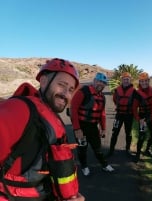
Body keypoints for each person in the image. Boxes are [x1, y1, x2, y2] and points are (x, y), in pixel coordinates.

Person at [0, 58, 85, 201]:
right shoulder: (20, 110)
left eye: (71, 90)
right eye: (62, 85)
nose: (66, 94)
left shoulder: (48, 114)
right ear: (44, 81)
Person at [70, 72, 114, 176]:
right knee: (82, 148)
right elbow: (73, 109)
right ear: (94, 81)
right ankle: (84, 166)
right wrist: (77, 129)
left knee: (97, 147)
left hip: (93, 126)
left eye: (103, 83)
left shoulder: (102, 97)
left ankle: (104, 165)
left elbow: (102, 113)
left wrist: (103, 128)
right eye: (99, 81)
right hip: (81, 126)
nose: (101, 84)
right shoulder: (83, 92)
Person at [107, 72, 137, 157]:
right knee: (115, 132)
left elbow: (136, 103)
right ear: (122, 80)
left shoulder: (134, 91)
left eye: (127, 79)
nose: (126, 81)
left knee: (128, 133)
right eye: (124, 79)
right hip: (119, 115)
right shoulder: (117, 90)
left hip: (129, 115)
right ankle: (111, 150)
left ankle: (127, 150)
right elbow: (114, 99)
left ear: (130, 80)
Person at [132, 72, 152, 163]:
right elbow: (134, 109)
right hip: (142, 118)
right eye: (142, 81)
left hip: (151, 116)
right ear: (140, 82)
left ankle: (147, 149)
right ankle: (138, 154)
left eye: (146, 81)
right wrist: (139, 119)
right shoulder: (137, 93)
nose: (144, 83)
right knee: (142, 136)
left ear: (148, 81)